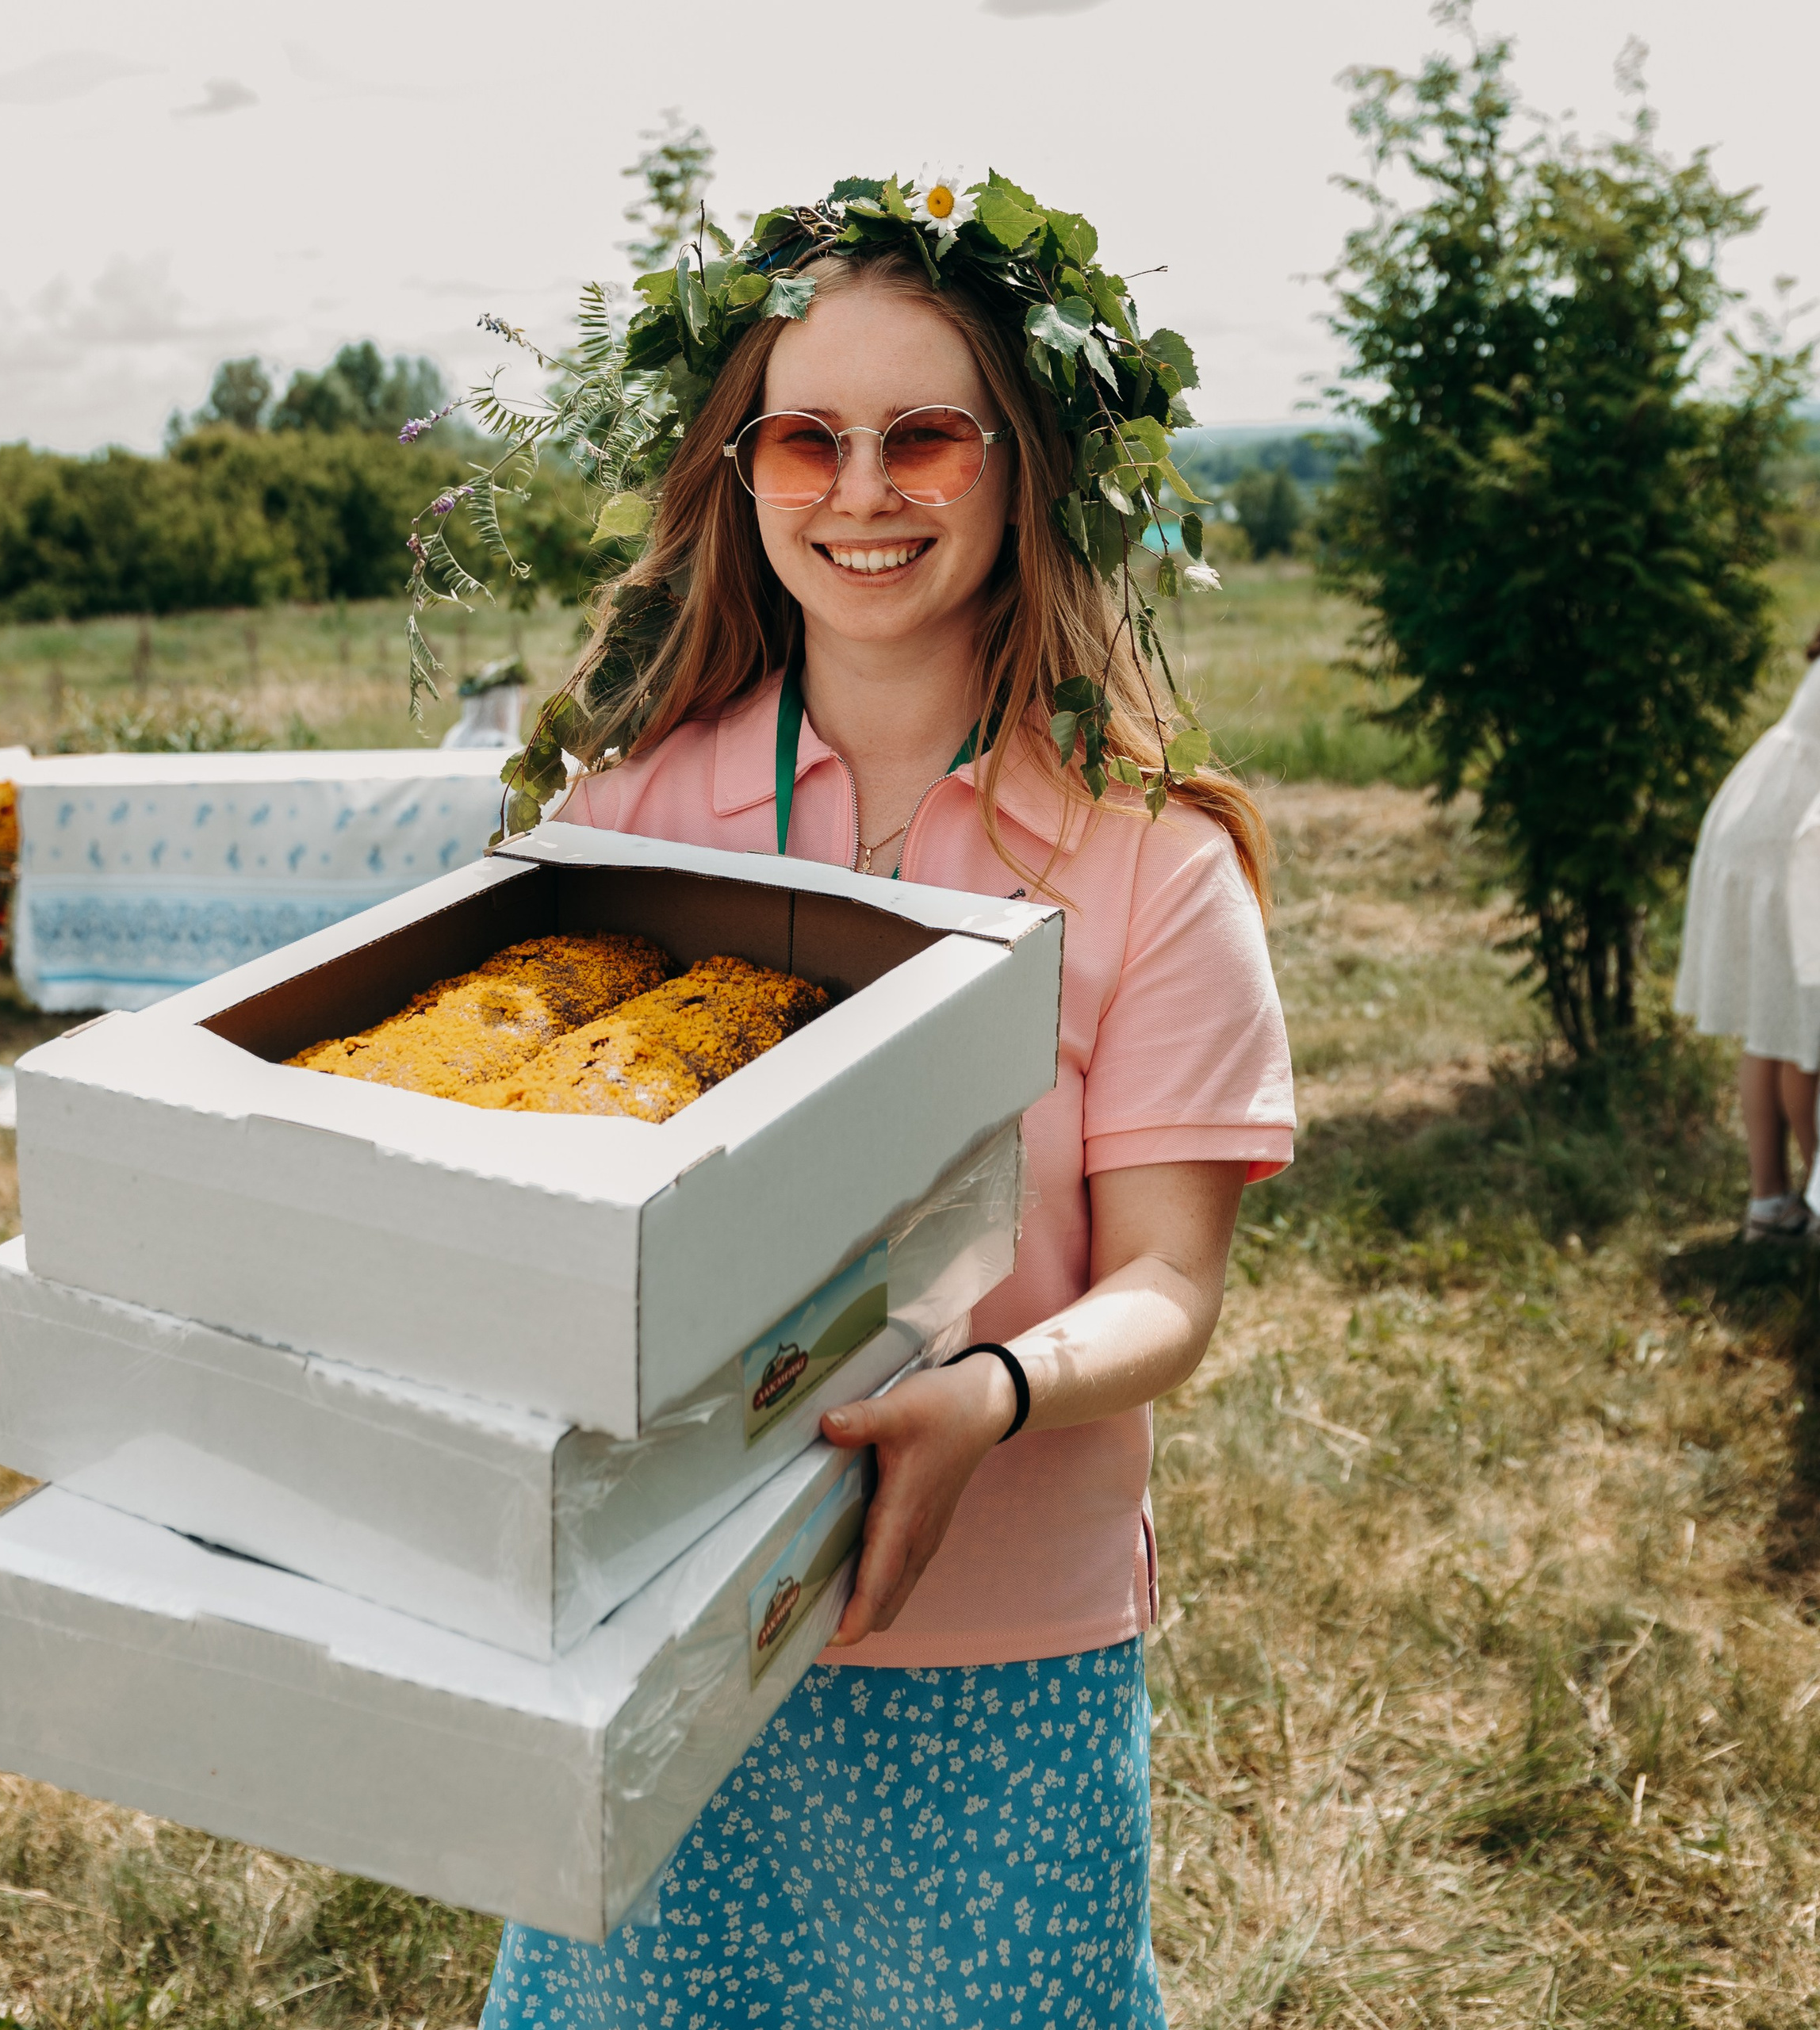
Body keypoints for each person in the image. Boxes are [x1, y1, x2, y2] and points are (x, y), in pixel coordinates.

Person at [476, 178, 1295, 2026]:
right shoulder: (620, 818)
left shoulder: (1152, 862)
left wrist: (982, 1394)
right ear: (737, 471)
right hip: (649, 1611)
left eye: (923, 433)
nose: (860, 489)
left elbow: (1165, 1285)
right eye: (805, 438)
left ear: (1022, 470)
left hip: (994, 1644)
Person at [1675, 621, 1820, 1242]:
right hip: (1790, 844)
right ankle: (1814, 1201)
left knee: (1774, 1024)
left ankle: (1772, 1202)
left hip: (1765, 821)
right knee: (1805, 1040)